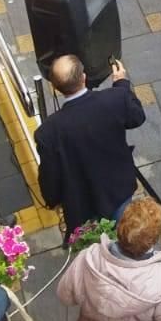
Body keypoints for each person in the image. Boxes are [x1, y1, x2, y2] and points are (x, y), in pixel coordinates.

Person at [34, 55, 144, 232]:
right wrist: (121, 84)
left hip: (81, 203)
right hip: (118, 189)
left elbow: (49, 173)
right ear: (84, 77)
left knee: (91, 248)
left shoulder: (47, 132)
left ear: (55, 87)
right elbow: (137, 117)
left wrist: (52, 199)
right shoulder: (114, 99)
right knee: (125, 235)